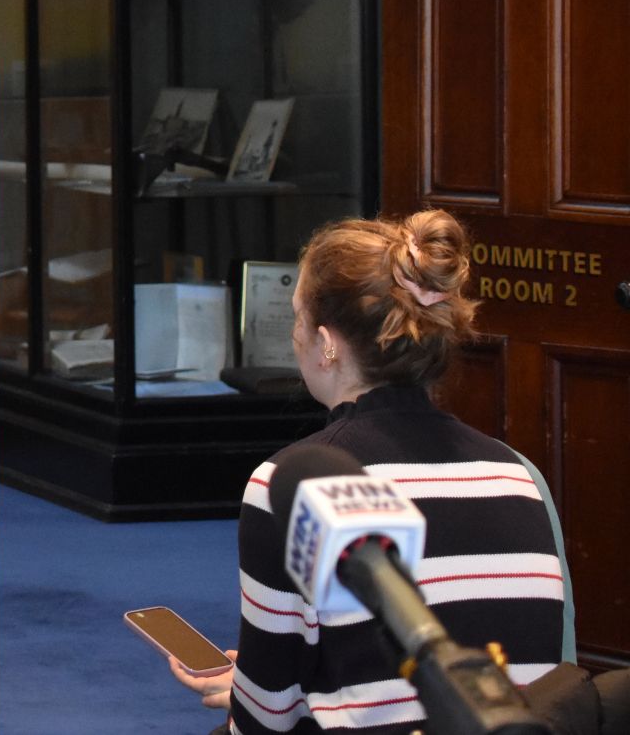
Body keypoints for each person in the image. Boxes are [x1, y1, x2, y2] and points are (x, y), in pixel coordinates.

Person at [168, 210, 566, 734]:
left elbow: (265, 722)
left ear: (327, 343)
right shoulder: (517, 473)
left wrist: (257, 690)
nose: (295, 338)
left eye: (297, 319)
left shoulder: (288, 482)